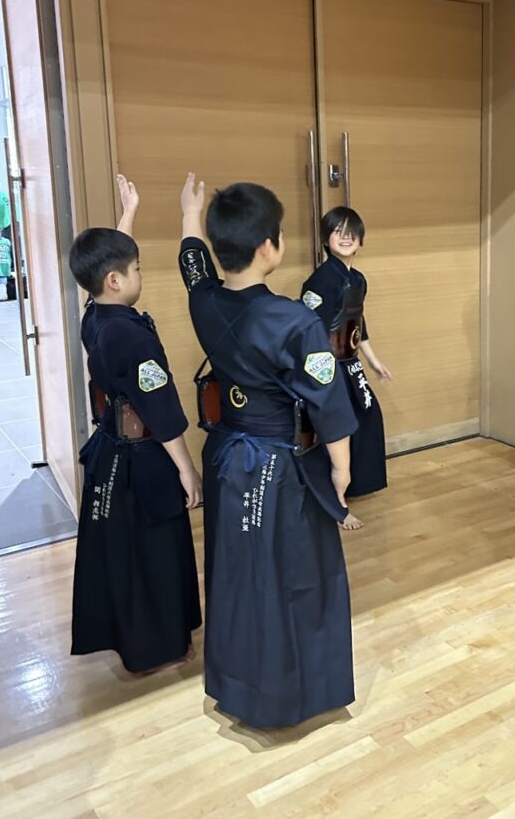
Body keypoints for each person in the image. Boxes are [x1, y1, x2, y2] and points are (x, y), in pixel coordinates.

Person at [178, 174, 358, 728]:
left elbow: (192, 265)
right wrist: (342, 471)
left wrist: (190, 215)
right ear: (268, 246)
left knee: (237, 569)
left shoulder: (205, 302)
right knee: (292, 573)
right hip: (279, 465)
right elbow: (329, 403)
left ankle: (236, 684)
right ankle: (283, 696)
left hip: (226, 459)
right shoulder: (295, 320)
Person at [69, 174, 202, 674]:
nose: (140, 275)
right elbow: (160, 410)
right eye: (137, 269)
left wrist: (129, 213)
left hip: (110, 455)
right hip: (143, 463)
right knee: (156, 553)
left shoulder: (95, 318)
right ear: (115, 281)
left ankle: (132, 640)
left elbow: (108, 269)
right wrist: (186, 470)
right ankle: (159, 649)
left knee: (125, 554)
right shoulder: (132, 337)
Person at [300, 207, 391, 531]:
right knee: (336, 431)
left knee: (367, 417)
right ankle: (337, 504)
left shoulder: (357, 279)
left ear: (361, 240)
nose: (346, 237)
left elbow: (356, 323)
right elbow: (310, 331)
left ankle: (352, 488)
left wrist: (373, 360)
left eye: (352, 232)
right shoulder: (320, 281)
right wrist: (321, 379)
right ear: (326, 239)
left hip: (349, 364)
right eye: (338, 231)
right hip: (327, 369)